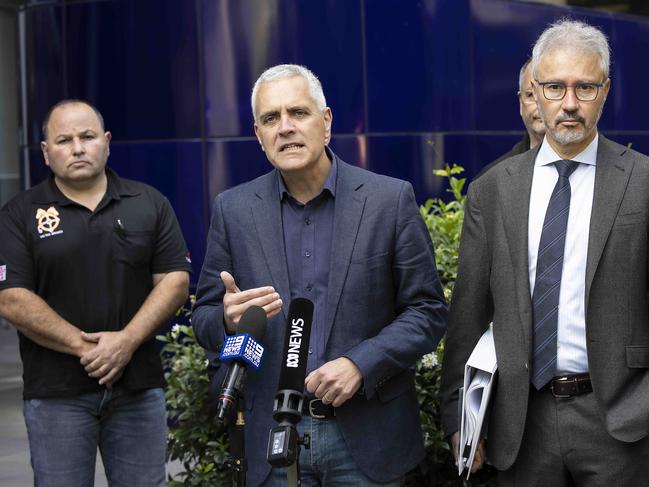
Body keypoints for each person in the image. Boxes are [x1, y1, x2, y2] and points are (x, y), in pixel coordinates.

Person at [192, 64, 447, 486]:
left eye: (298, 113)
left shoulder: (388, 200)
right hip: (272, 439)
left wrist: (360, 364)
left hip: (369, 439)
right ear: (258, 135)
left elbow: (428, 311)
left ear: (325, 122)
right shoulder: (233, 211)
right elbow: (203, 316)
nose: (285, 127)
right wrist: (225, 319)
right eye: (271, 119)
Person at [440, 19, 649, 486]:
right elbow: (469, 314)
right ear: (534, 89)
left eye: (585, 88)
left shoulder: (643, 182)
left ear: (606, 90)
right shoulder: (493, 190)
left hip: (623, 424)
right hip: (521, 424)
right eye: (554, 87)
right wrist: (459, 418)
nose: (569, 104)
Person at [0, 100, 191, 486]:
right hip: (56, 395)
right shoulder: (19, 213)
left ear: (106, 142)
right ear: (45, 152)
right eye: (64, 140)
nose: (77, 147)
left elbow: (175, 280)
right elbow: (11, 297)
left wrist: (126, 342)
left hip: (138, 390)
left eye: (87, 137)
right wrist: (86, 348)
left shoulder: (149, 203)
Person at [476, 59, 546, 177]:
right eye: (530, 95)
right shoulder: (492, 179)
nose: (539, 104)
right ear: (520, 102)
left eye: (551, 91)